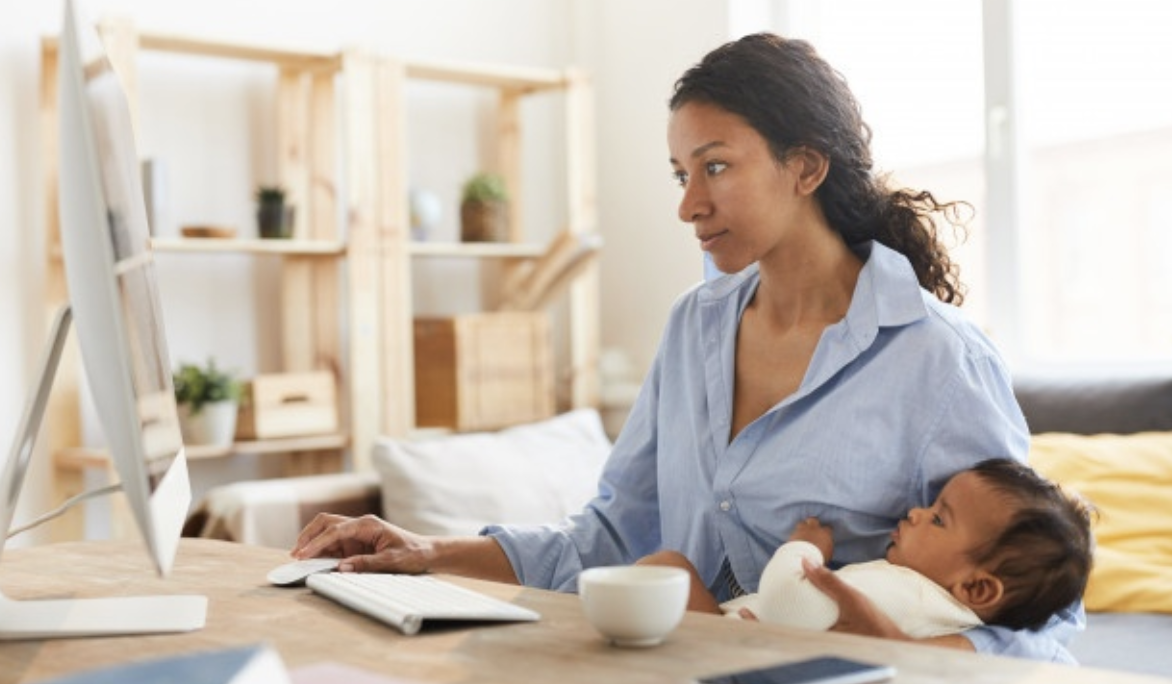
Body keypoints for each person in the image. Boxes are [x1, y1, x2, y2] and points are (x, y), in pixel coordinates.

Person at [291, 32, 1082, 661]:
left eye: (715, 167)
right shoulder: (694, 327)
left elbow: (1040, 613)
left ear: (804, 166)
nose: (690, 205)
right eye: (679, 174)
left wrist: (902, 654)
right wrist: (426, 552)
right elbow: (610, 537)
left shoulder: (937, 361)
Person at [639, 459, 1094, 640]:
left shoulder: (909, 595)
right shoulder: (931, 610)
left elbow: (789, 603)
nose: (916, 512)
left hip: (736, 648)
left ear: (976, 587)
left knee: (666, 568)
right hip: (748, 645)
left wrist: (803, 549)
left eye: (938, 518)